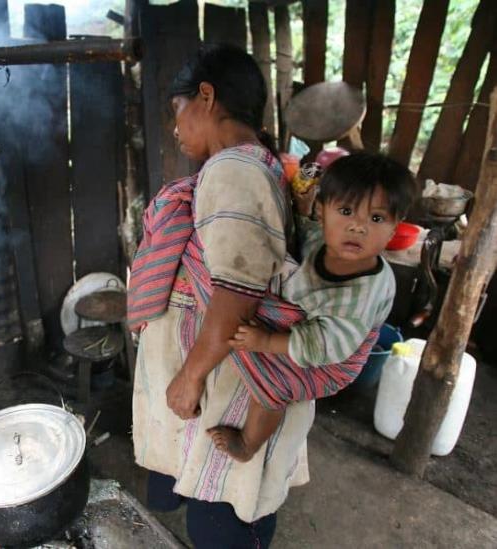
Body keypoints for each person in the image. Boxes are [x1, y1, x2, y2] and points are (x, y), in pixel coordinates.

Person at [127, 44, 313, 549]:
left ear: (206, 97)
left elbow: (237, 294)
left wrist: (190, 377)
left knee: (225, 515)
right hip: (221, 372)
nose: (174, 127)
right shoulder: (253, 167)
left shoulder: (235, 172)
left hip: (225, 381)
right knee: (216, 503)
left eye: (177, 112)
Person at [208, 152, 417, 462]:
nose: (358, 227)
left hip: (336, 357)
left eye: (376, 218)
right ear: (322, 211)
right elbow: (301, 234)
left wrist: (265, 341)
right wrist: (300, 207)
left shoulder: (360, 292)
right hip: (316, 326)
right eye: (346, 211)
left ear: (394, 228)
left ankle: (247, 445)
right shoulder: (320, 237)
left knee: (274, 387)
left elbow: (325, 346)